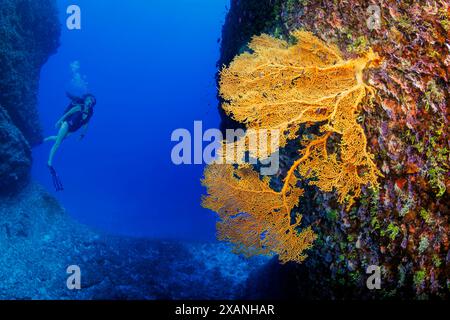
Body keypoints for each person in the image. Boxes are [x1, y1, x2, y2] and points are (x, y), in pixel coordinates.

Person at [44, 93, 97, 191]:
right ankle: (49, 161)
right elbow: (68, 114)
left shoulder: (89, 113)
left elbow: (86, 125)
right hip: (67, 124)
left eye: (92, 101)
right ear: (85, 100)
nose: (90, 102)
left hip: (72, 131)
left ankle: (47, 139)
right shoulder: (79, 107)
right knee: (58, 143)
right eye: (89, 99)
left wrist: (82, 135)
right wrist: (59, 121)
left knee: (58, 138)